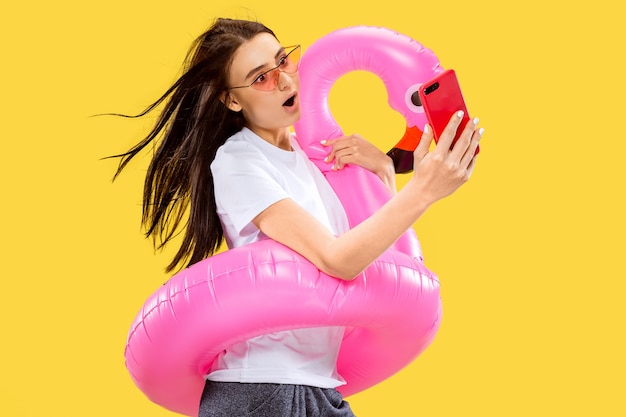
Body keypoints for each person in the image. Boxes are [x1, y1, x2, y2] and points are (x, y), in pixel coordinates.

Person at [111, 17, 482, 417]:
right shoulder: (239, 160)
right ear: (232, 100)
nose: (286, 80)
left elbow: (376, 261)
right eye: (261, 78)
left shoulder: (313, 158)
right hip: (260, 389)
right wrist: (424, 190)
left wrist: (386, 178)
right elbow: (337, 259)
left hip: (318, 386)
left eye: (283, 60)